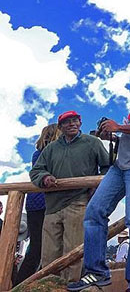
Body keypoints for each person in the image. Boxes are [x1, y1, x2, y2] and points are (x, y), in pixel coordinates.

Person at [68, 59, 130, 292]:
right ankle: (96, 272)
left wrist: (119, 128)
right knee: (95, 212)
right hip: (123, 165)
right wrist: (115, 137)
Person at [29, 112, 110, 282]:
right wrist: (44, 177)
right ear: (61, 127)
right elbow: (36, 170)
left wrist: (96, 186)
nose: (71, 124)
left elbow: (107, 167)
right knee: (49, 252)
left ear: (80, 123)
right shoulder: (51, 149)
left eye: (75, 121)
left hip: (78, 201)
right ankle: (49, 285)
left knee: (73, 250)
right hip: (51, 206)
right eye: (66, 122)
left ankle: (70, 285)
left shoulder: (92, 143)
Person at [14, 124, 61, 285]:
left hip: (35, 203)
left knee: (39, 246)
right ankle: (23, 282)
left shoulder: (38, 153)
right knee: (40, 246)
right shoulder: (47, 154)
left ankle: (25, 282)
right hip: (43, 203)